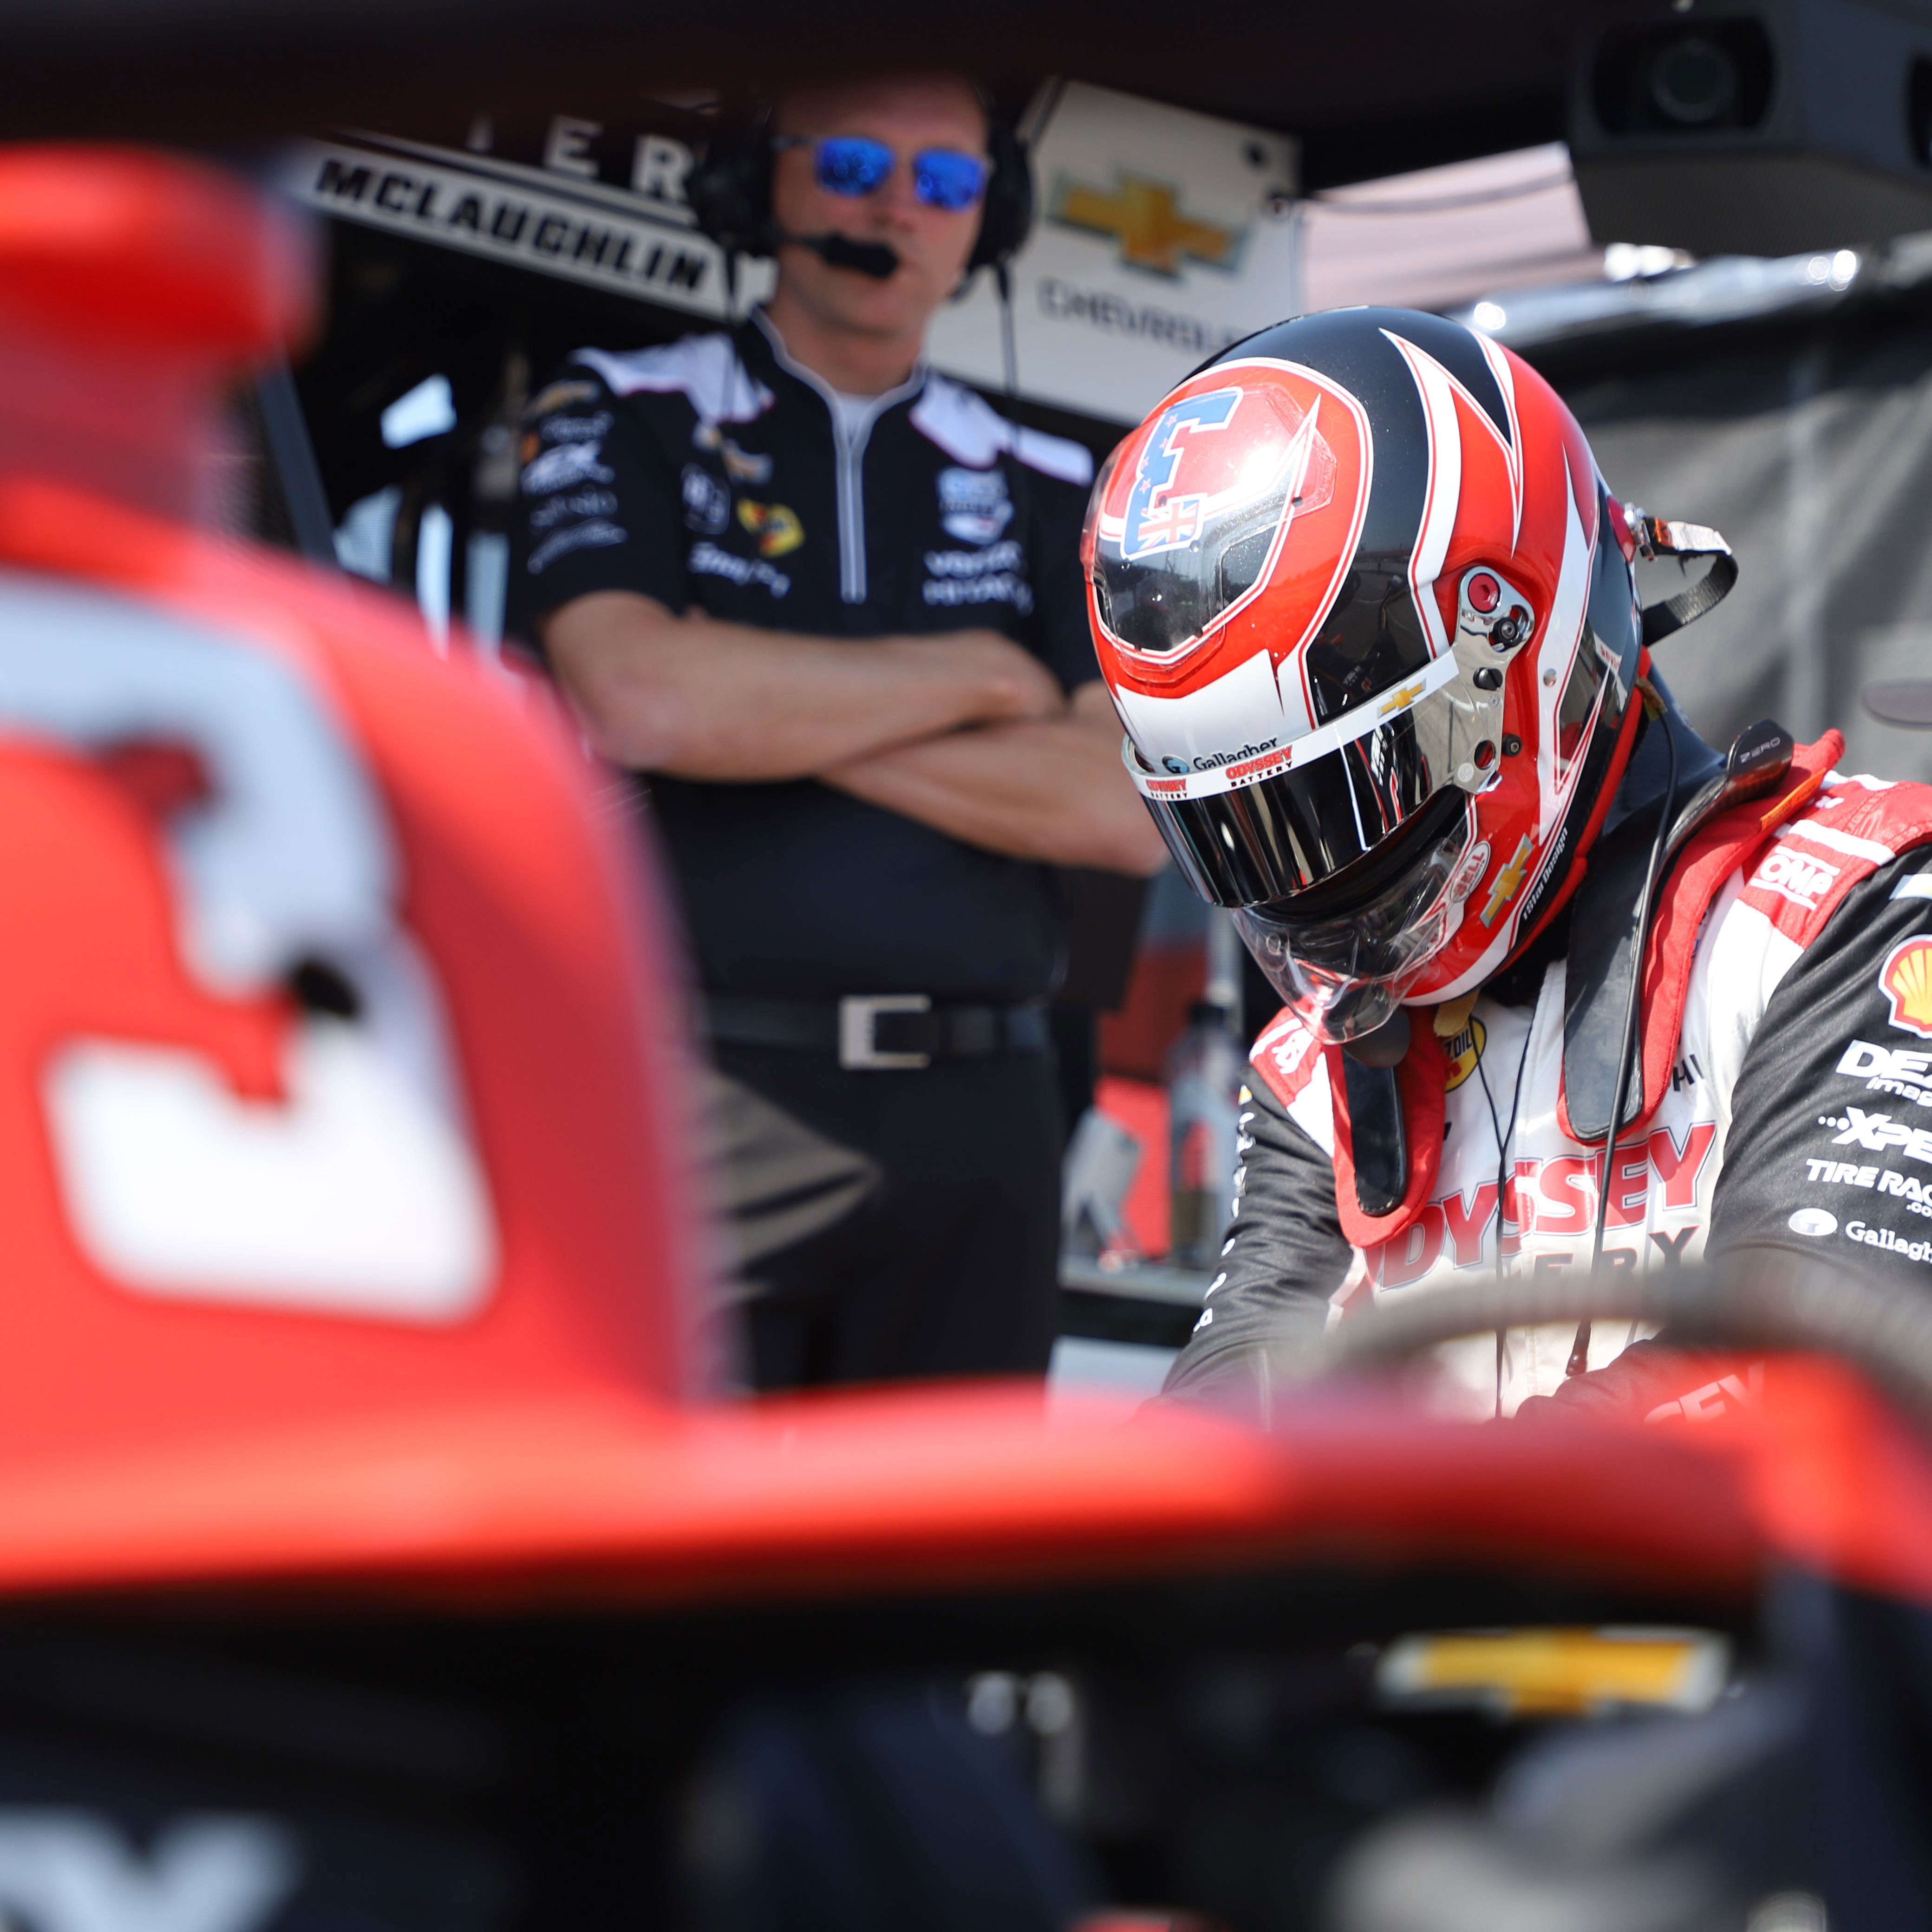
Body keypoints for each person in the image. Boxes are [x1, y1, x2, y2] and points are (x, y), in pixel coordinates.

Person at [1080, 304, 1932, 1421]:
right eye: (1254, 824)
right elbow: (1221, 1427)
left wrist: (1402, 1531)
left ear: (1521, 651)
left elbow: (1822, 1359)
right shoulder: (1313, 1058)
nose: (1316, 879)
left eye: (1351, 789)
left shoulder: (1856, 903)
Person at [510, 72, 1166, 1391]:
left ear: (995, 217)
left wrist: (762, 713)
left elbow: (1125, 810)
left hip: (984, 1113)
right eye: (858, 164)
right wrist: (986, 674)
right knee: (669, 1565)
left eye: (945, 183)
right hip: (698, 1094)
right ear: (766, 182)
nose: (898, 211)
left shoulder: (1057, 484)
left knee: (947, 1582)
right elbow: (639, 697)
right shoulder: (619, 410)